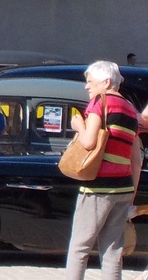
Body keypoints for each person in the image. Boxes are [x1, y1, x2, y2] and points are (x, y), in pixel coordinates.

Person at [65, 61, 141, 280]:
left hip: (98, 186)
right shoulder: (130, 109)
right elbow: (135, 160)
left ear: (106, 82)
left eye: (90, 82)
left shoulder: (101, 101)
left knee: (80, 247)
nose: (87, 87)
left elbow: (89, 142)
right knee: (112, 251)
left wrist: (78, 125)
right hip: (123, 188)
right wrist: (131, 197)